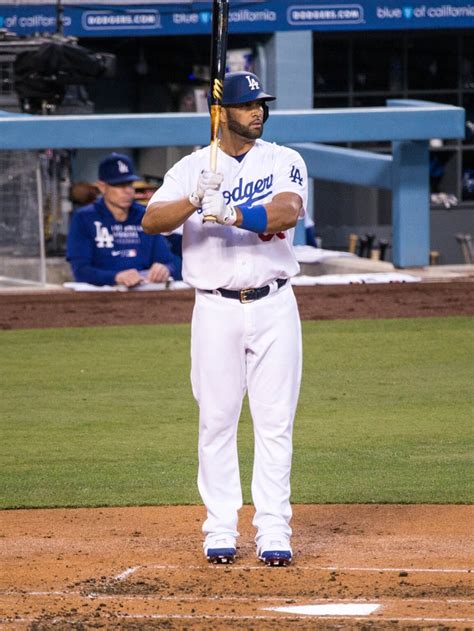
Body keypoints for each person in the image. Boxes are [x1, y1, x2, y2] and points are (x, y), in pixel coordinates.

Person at [142, 71, 308, 566]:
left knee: (275, 422)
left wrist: (233, 213)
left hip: (275, 305)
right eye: (247, 104)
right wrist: (194, 198)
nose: (258, 111)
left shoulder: (284, 159)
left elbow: (287, 212)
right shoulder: (191, 167)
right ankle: (220, 528)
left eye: (261, 104)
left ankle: (274, 530)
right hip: (214, 309)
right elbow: (151, 221)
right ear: (222, 113)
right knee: (216, 421)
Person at [67, 153, 181, 287]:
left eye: (129, 184)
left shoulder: (145, 215)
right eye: (119, 185)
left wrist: (166, 269)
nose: (127, 191)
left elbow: (169, 261)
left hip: (145, 294)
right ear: (102, 187)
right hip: (99, 296)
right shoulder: (84, 218)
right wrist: (116, 277)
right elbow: (81, 271)